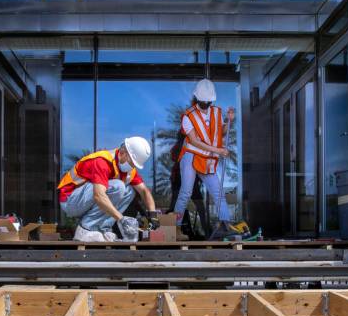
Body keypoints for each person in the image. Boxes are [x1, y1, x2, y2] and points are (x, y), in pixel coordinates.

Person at [58, 137, 158, 242]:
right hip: (70, 201)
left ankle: (103, 229)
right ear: (123, 152)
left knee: (130, 191)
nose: (132, 166)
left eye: (134, 164)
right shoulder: (102, 161)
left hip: (85, 201)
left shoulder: (129, 171)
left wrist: (153, 215)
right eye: (131, 162)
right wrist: (122, 219)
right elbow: (99, 196)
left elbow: (144, 191)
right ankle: (86, 229)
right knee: (118, 186)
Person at [173, 79, 235, 239]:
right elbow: (194, 141)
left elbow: (220, 133)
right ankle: (175, 228)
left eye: (208, 102)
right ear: (197, 99)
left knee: (218, 191)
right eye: (203, 102)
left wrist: (229, 120)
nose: (206, 105)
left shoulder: (217, 112)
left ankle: (225, 224)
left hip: (207, 157)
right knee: (186, 191)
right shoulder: (188, 116)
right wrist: (218, 151)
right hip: (191, 156)